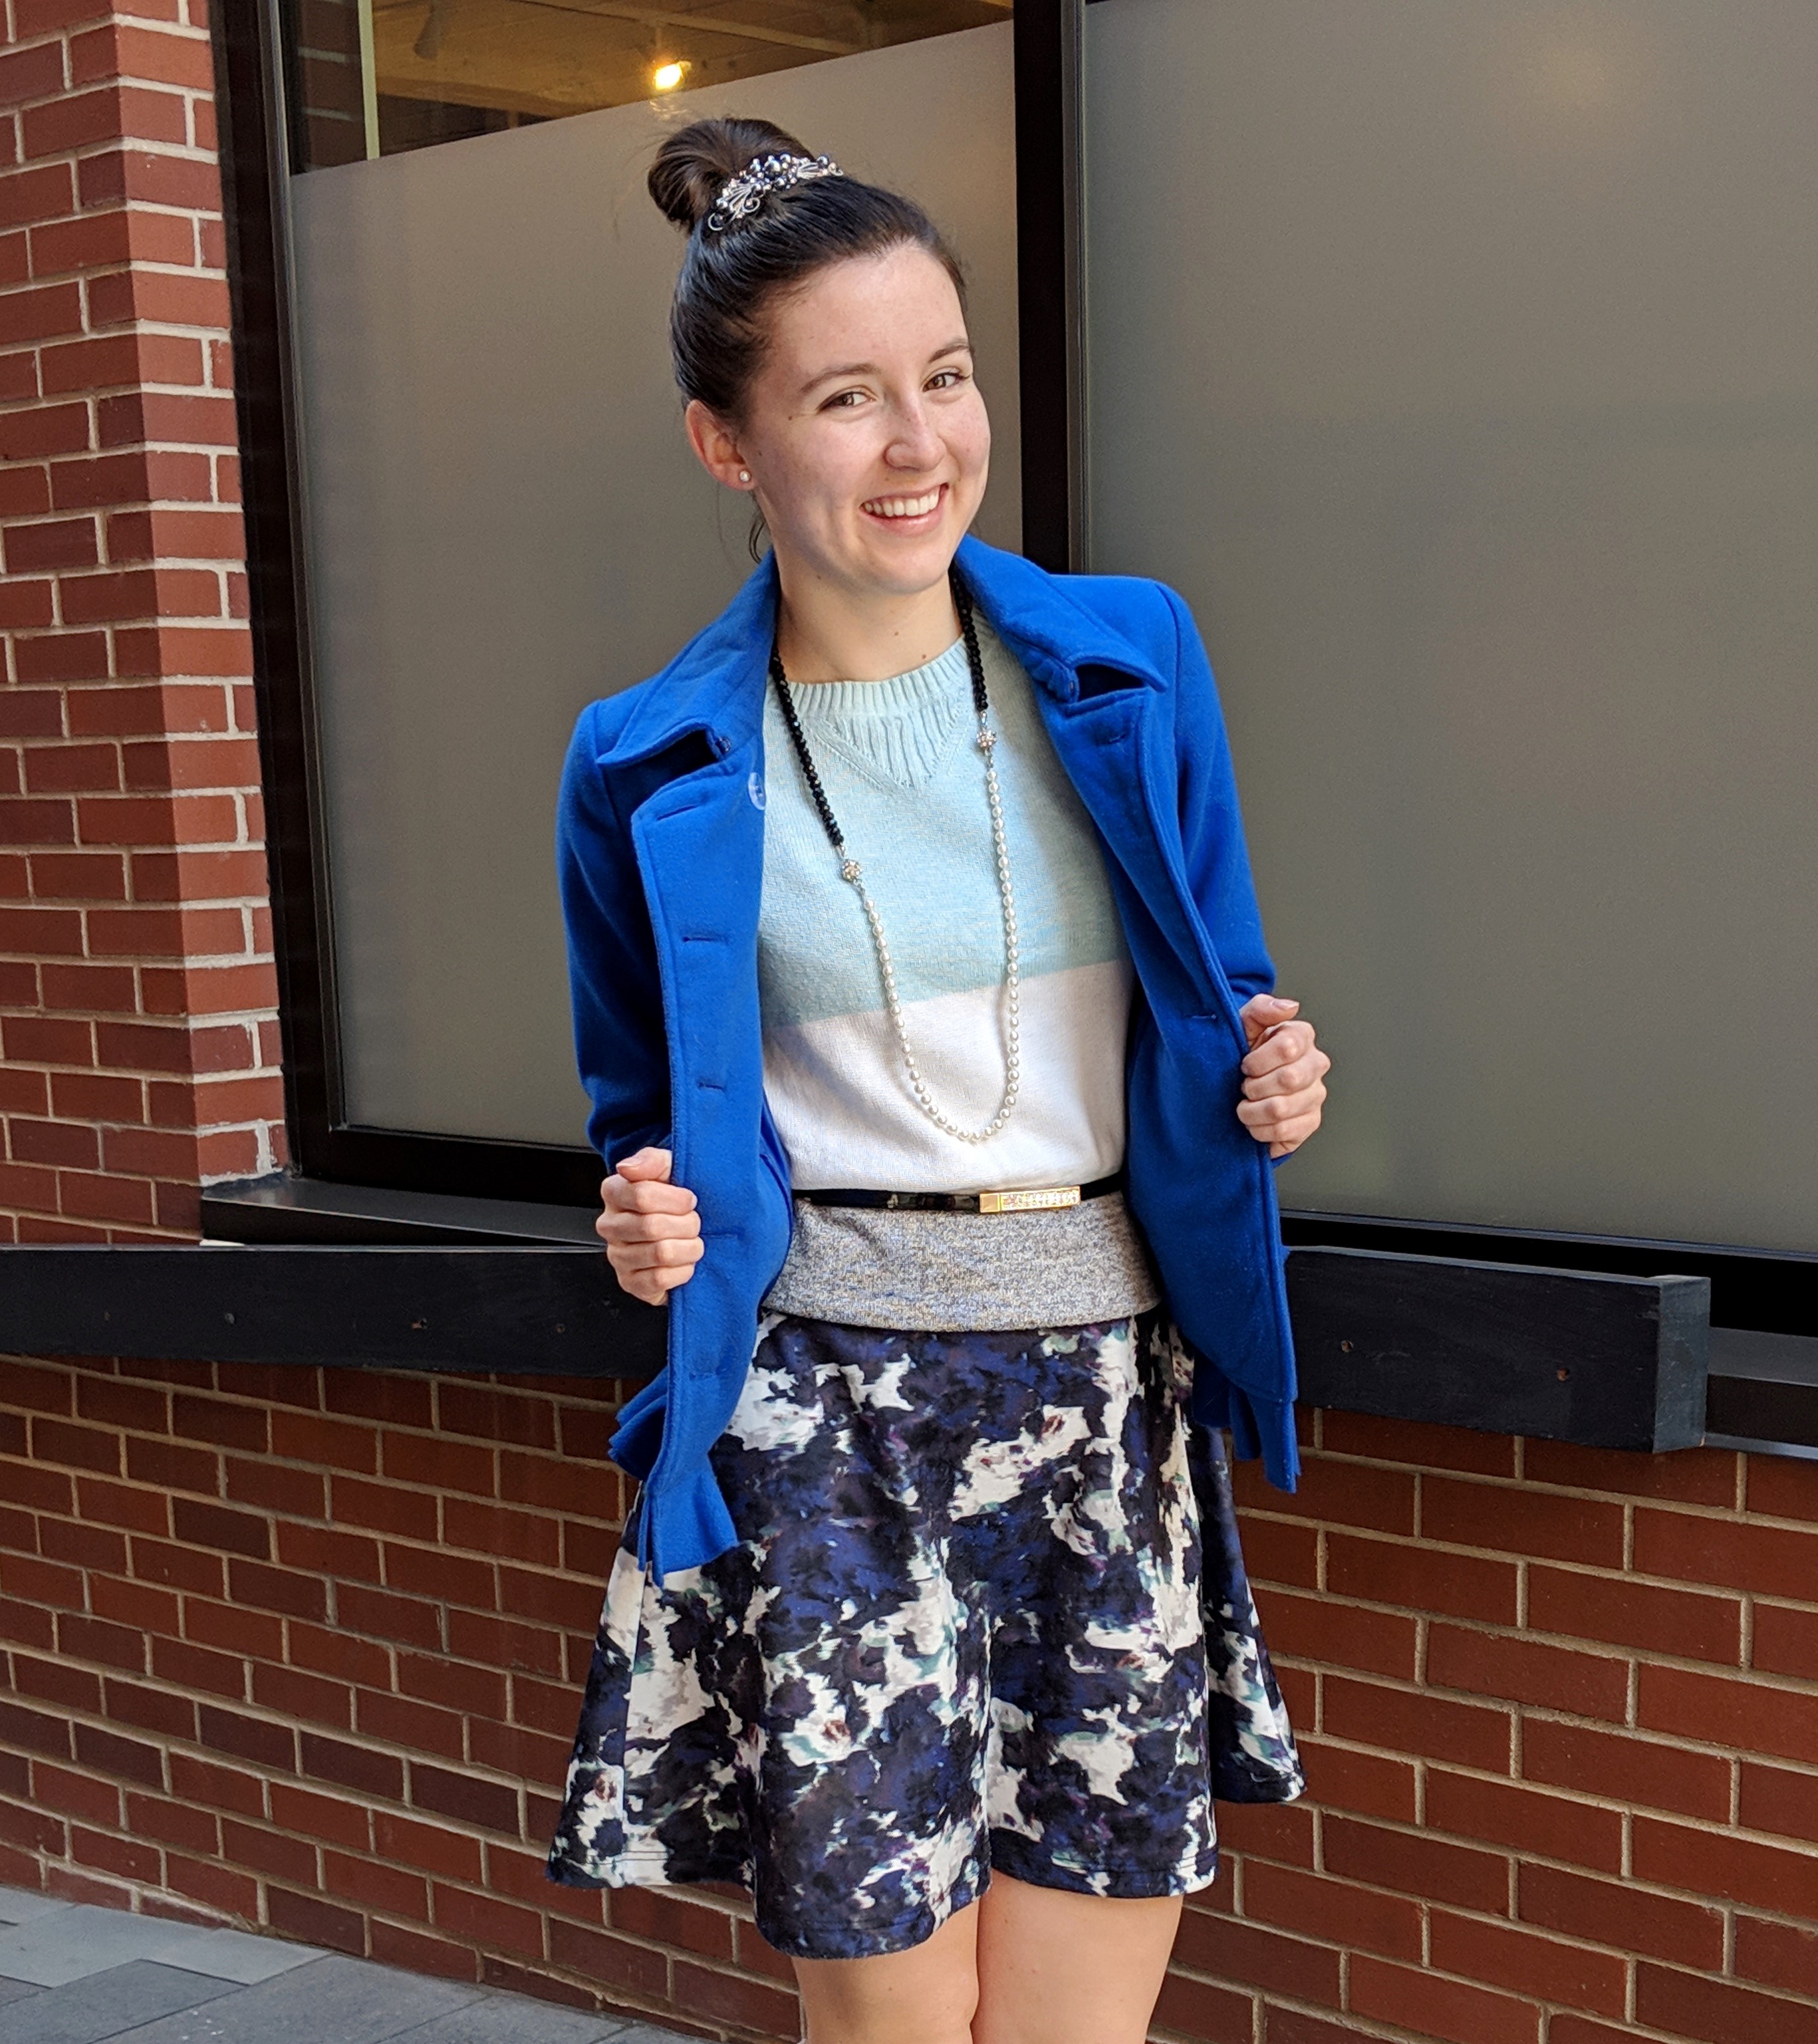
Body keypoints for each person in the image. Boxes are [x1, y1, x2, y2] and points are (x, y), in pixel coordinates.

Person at [545, 116, 1330, 2044]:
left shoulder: (1131, 662)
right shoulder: (640, 762)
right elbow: (640, 1119)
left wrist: (1276, 1072)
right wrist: (642, 1213)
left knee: (1075, 2029)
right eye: (846, 398)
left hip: (1104, 1402)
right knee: (897, 2028)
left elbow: (1220, 991)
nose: (922, 446)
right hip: (823, 1428)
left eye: (947, 378)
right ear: (727, 441)